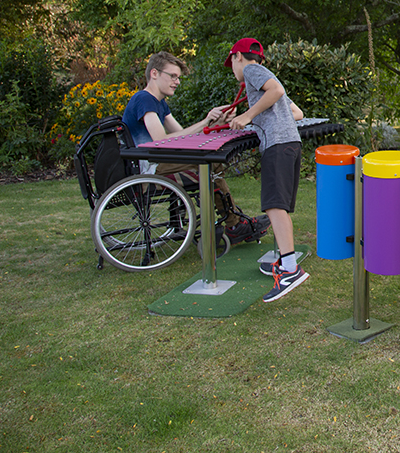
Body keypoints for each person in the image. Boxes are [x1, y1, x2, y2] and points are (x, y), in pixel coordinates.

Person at [122, 51, 270, 245]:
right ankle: (233, 224)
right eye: (173, 76)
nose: (177, 81)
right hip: (146, 168)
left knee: (210, 164)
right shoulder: (144, 99)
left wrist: (214, 120)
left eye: (178, 77)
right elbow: (160, 140)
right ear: (155, 74)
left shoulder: (159, 104)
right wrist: (206, 121)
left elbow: (184, 135)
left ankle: (233, 222)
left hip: (153, 162)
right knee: (209, 164)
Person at [224, 37, 308, 303]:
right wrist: (258, 118)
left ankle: (291, 271)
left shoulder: (251, 70)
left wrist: (248, 116)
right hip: (290, 142)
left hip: (278, 144)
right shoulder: (265, 75)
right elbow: (297, 112)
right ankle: (286, 263)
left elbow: (276, 92)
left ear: (238, 56)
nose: (234, 71)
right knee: (278, 206)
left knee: (274, 206)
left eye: (232, 64)